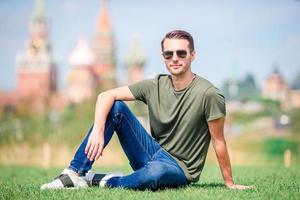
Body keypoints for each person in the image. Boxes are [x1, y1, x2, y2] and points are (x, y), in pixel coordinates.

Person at [41, 30, 253, 191]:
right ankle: (74, 173)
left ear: (192, 55)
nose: (175, 58)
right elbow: (105, 95)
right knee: (116, 107)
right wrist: (98, 129)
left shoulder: (209, 94)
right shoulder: (155, 85)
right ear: (163, 57)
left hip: (179, 169)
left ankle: (105, 180)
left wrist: (229, 182)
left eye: (181, 53)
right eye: (169, 54)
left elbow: (218, 141)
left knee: (156, 172)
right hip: (152, 152)